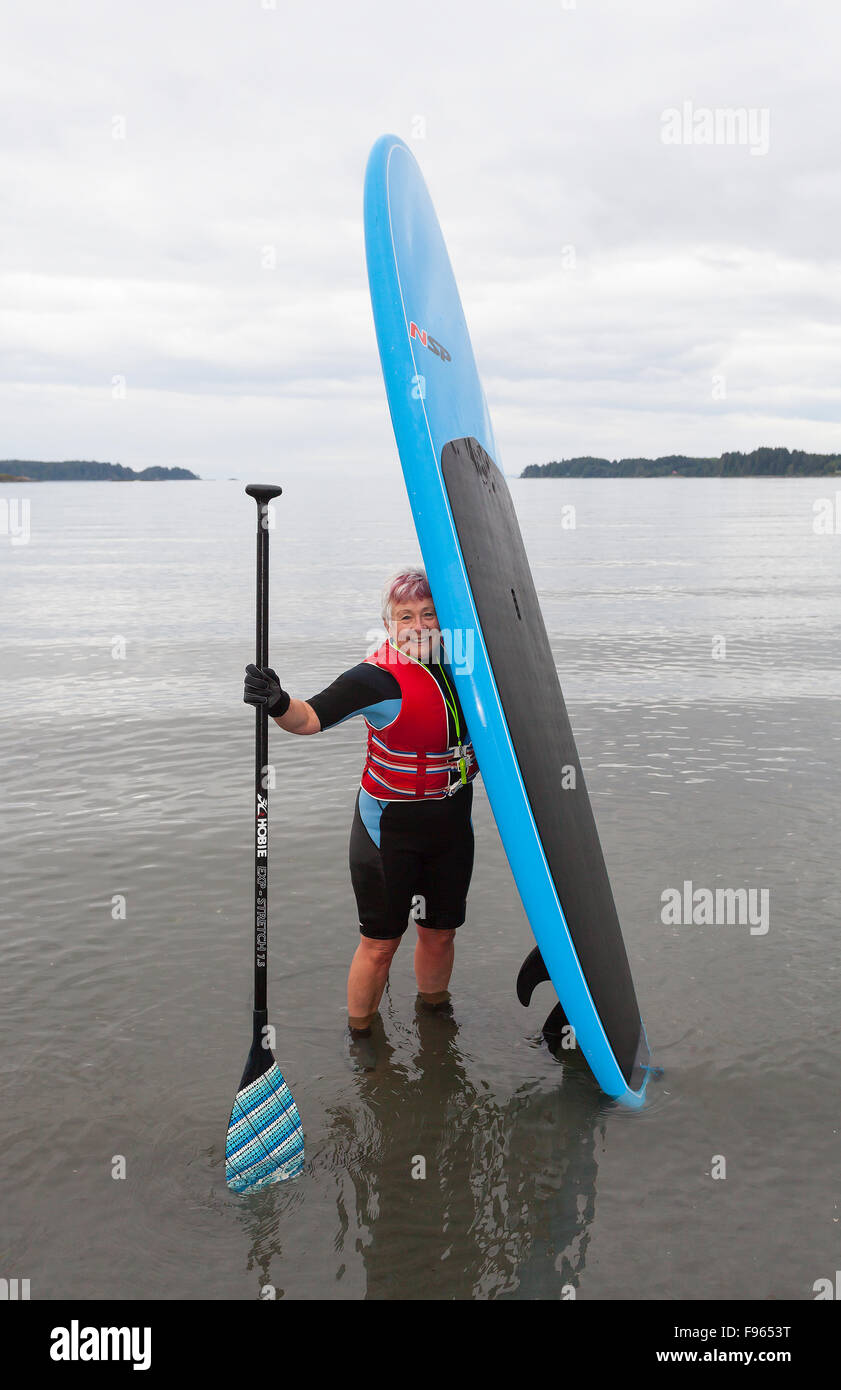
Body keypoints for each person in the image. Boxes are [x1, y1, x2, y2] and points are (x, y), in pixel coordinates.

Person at [243, 567, 479, 1042]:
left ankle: (434, 1019)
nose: (418, 625)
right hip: (388, 832)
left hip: (453, 825)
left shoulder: (469, 670)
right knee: (379, 945)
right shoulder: (375, 679)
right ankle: (362, 1040)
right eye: (405, 615)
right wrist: (277, 701)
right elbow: (309, 718)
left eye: (429, 614)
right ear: (389, 625)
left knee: (441, 932)